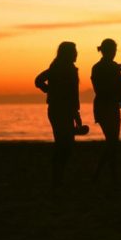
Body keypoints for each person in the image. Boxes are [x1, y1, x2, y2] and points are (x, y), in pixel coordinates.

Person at [35, 42, 85, 187]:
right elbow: (38, 81)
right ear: (68, 53)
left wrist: (76, 114)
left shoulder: (66, 68)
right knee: (64, 145)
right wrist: (50, 91)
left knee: (66, 145)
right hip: (59, 110)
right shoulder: (58, 68)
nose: (76, 54)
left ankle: (58, 177)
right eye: (74, 51)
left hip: (65, 110)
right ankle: (57, 178)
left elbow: (72, 94)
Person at [91, 38, 121, 184]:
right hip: (110, 107)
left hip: (101, 106)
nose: (114, 53)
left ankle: (104, 173)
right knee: (112, 142)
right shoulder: (112, 67)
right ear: (110, 51)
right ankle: (103, 173)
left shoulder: (97, 67)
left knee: (111, 142)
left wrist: (119, 69)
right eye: (113, 50)